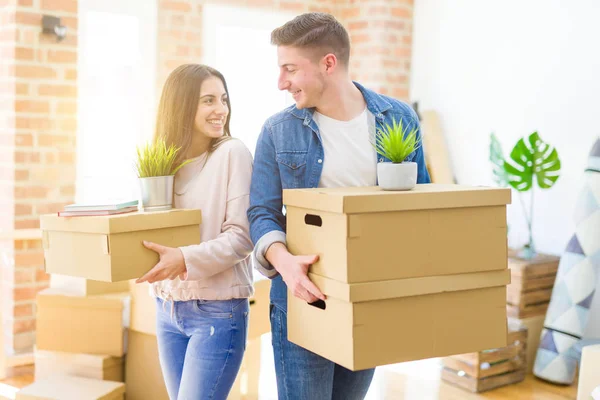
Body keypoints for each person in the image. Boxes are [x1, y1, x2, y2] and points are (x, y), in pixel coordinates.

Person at [248, 13, 431, 399]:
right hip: (303, 299)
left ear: (328, 64)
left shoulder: (398, 119)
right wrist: (285, 264)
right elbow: (261, 212)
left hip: (367, 302)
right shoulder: (277, 130)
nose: (281, 82)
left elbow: (421, 208)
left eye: (290, 69)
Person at [136, 64, 254, 400]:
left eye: (223, 99)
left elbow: (242, 236)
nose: (221, 110)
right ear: (181, 106)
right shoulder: (164, 163)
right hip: (167, 306)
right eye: (208, 101)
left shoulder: (233, 153)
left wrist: (184, 258)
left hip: (216, 311)